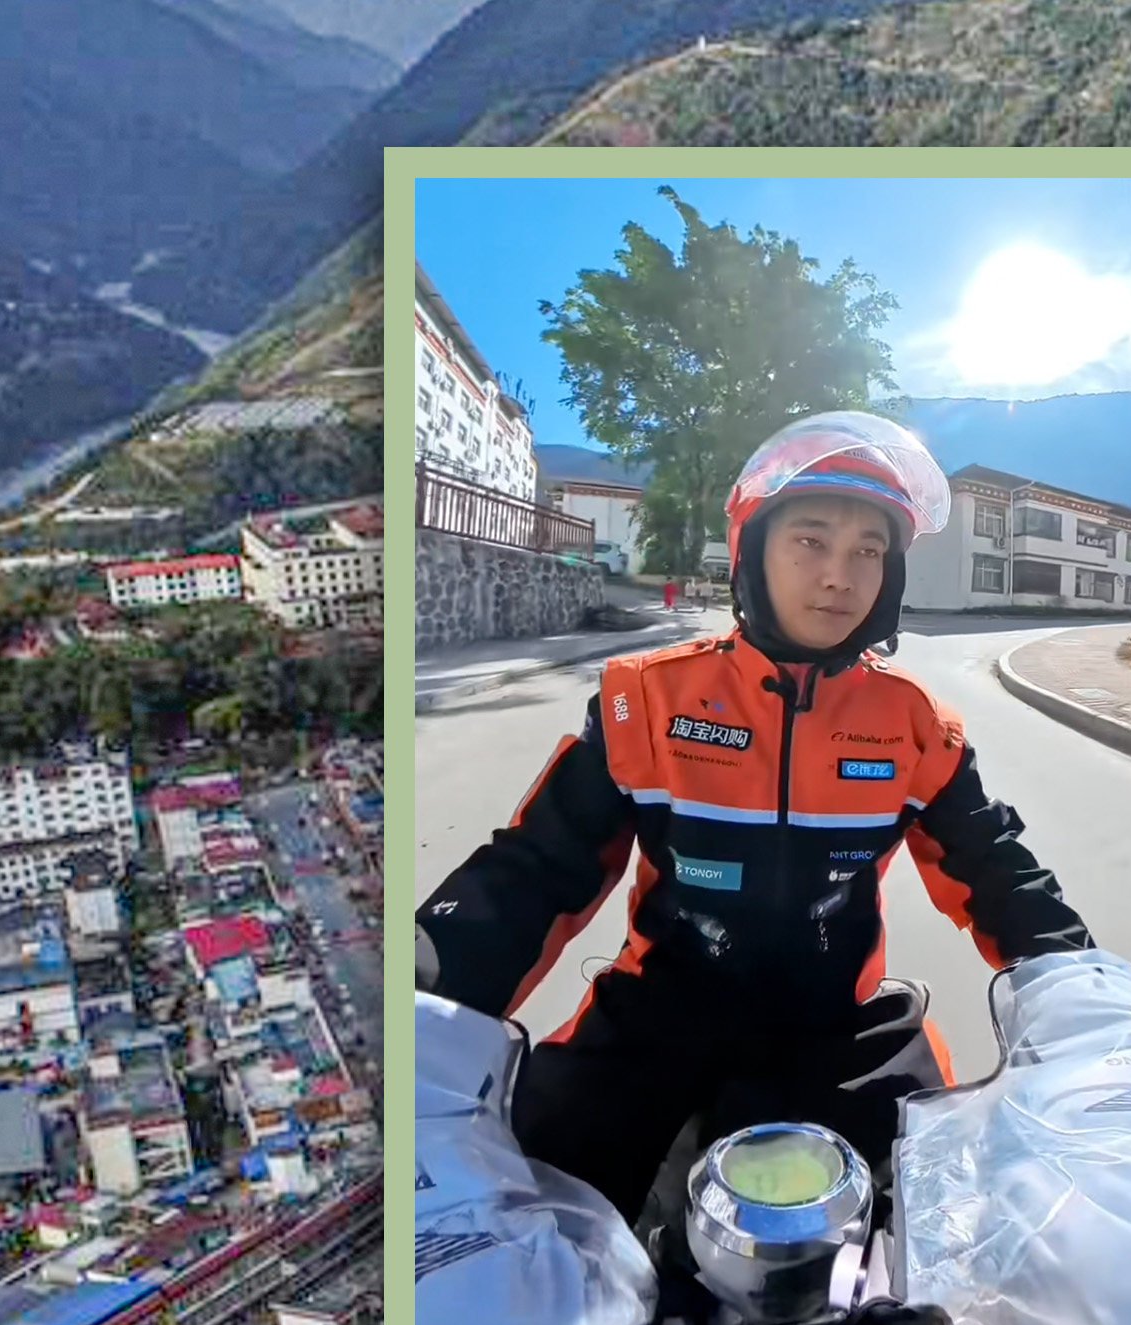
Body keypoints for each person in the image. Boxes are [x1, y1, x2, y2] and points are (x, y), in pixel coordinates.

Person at [415, 412, 1095, 1223]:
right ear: (753, 552)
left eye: (868, 551)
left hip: (838, 1029)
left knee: (928, 1231)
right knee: (520, 1211)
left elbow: (997, 869)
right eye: (810, 541)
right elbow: (537, 868)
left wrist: (1091, 996)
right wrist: (430, 984)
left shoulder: (918, 726)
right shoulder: (646, 700)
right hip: (653, 1018)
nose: (840, 575)